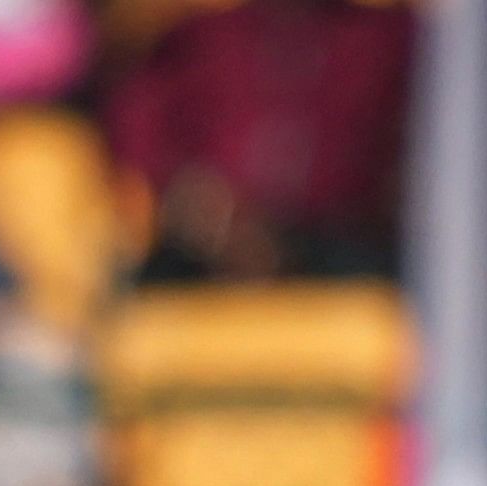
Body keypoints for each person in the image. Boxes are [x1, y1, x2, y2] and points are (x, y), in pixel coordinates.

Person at [102, 0, 414, 281]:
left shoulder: (389, 38)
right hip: (210, 244)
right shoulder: (204, 37)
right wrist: (191, 195)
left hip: (342, 244)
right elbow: (137, 123)